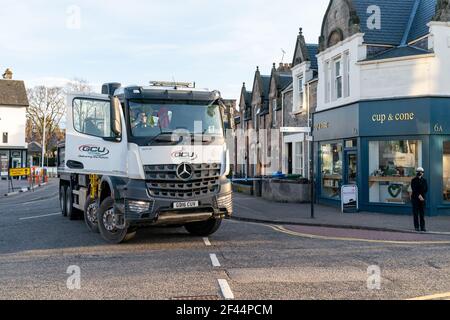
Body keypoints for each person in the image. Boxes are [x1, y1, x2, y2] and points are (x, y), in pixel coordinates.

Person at [410, 167, 428, 232]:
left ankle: (423, 227)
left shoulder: (424, 180)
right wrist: (419, 195)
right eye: (418, 172)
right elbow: (414, 189)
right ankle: (416, 227)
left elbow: (426, 189)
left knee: (422, 214)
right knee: (415, 213)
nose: (420, 173)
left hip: (422, 199)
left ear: (423, 173)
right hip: (415, 199)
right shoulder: (413, 180)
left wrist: (421, 195)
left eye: (421, 172)